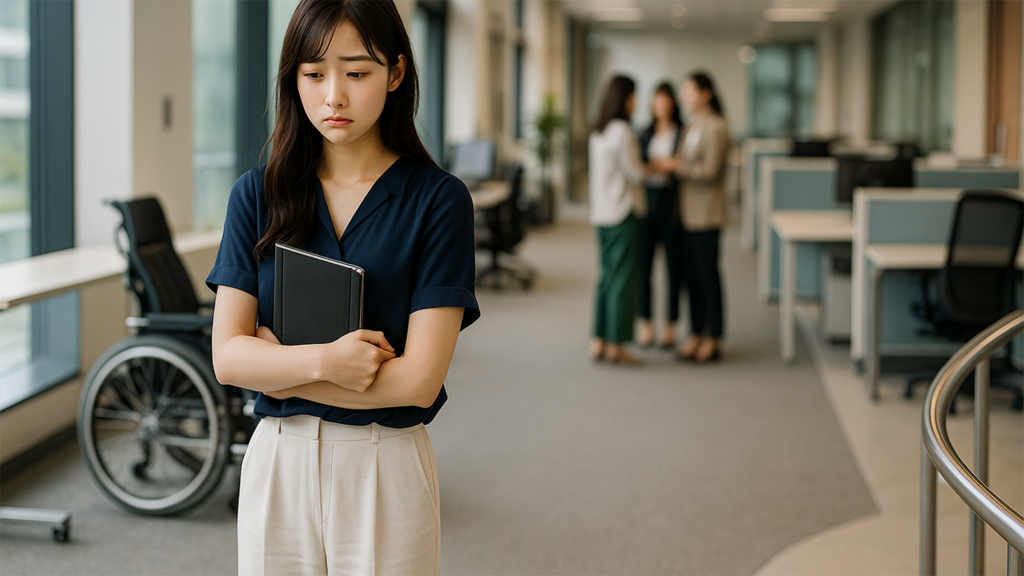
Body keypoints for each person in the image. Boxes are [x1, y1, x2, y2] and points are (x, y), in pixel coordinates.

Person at [206, 1, 480, 574]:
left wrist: (279, 365)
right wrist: (330, 362)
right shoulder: (256, 195)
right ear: (294, 79)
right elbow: (228, 359)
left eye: (357, 73)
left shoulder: (438, 200)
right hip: (279, 460)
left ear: (396, 73)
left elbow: (419, 381)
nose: (334, 95)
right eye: (313, 74)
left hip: (386, 465)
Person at [657, 71, 730, 363]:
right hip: (686, 214)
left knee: (708, 277)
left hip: (707, 214)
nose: (684, 97)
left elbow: (709, 171)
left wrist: (677, 167)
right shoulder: (692, 125)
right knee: (692, 279)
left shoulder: (716, 127)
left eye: (689, 91)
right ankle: (696, 333)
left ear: (706, 93)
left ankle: (714, 336)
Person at [589, 74, 647, 365]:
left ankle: (599, 340)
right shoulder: (623, 130)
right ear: (625, 98)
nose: (636, 102)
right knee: (623, 281)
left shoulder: (598, 131)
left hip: (601, 215)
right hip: (622, 213)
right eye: (634, 96)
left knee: (607, 278)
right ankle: (617, 346)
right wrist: (657, 167)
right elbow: (636, 173)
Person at [636, 82, 684, 349]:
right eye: (657, 101)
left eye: (665, 101)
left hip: (672, 203)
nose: (661, 106)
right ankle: (646, 324)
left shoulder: (683, 132)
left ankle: (670, 326)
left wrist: (662, 166)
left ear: (672, 104)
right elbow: (641, 165)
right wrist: (665, 165)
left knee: (673, 268)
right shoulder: (645, 133)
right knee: (645, 267)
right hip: (648, 203)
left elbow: (682, 164)